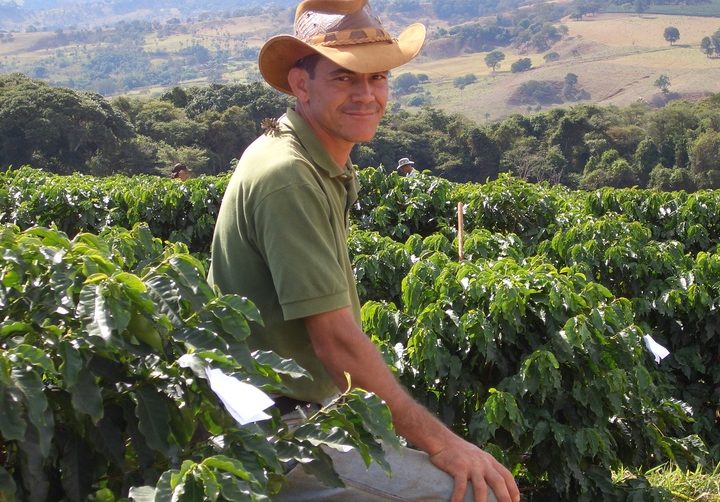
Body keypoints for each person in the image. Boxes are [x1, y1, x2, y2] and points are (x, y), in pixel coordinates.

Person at [208, 1, 520, 501]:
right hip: (271, 427)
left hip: (302, 409)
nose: (366, 94)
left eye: (377, 78)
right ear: (301, 84)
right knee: (469, 492)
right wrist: (444, 443)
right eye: (344, 78)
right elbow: (335, 341)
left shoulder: (316, 159)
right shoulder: (289, 176)